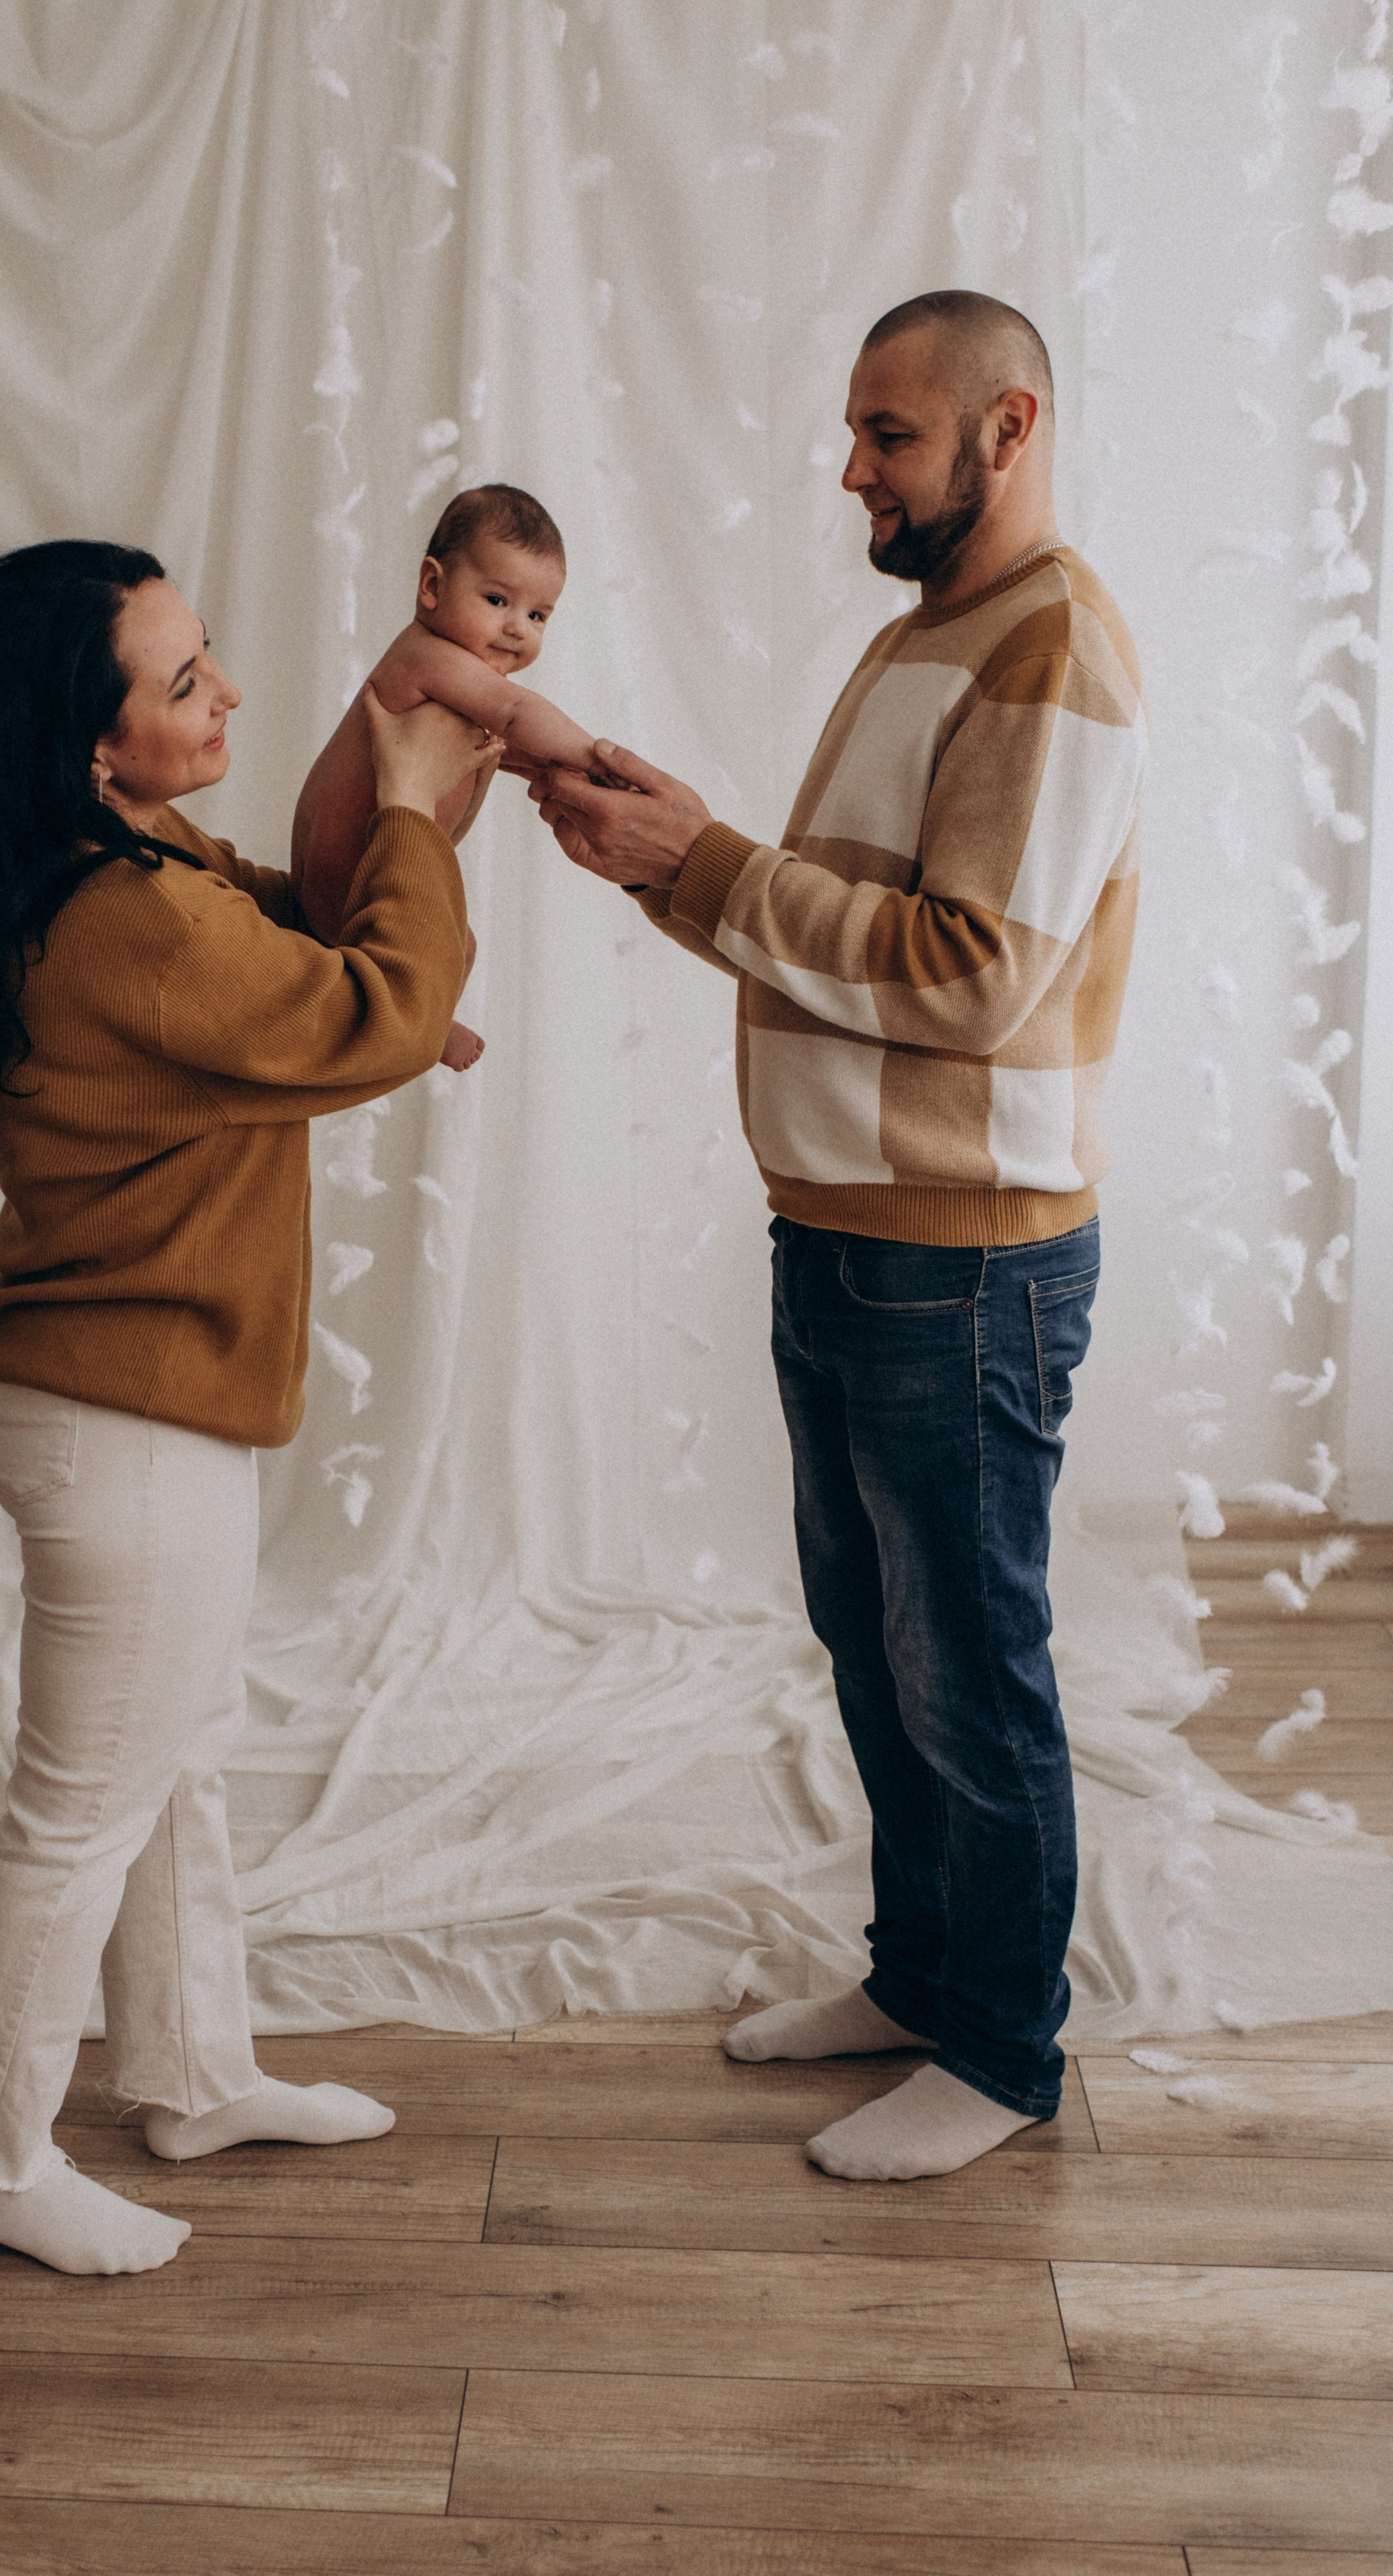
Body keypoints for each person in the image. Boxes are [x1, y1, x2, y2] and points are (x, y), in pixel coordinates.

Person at [530, 292, 1145, 2182]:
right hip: (853, 1236)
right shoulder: (932, 639)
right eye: (859, 433)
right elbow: (844, 932)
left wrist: (703, 861)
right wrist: (669, 858)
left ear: (1005, 427)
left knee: (970, 1663)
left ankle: (1008, 2051)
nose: (853, 468)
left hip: (960, 1260)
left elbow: (969, 983)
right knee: (878, 1649)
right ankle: (918, 1975)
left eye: (888, 433)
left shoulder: (1052, 656)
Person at [0, 538, 498, 2272]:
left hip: (146, 1403)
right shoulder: (122, 912)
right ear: (91, 741)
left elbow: (312, 937)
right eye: (185, 681)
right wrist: (420, 836)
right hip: (116, 1422)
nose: (225, 693)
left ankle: (194, 2071)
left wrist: (406, 774)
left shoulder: (130, 863)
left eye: (209, 660)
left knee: (176, 1761)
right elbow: (362, 1005)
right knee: (81, 1803)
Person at [291, 483, 599, 1070]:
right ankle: (414, 1029)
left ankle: (424, 1024)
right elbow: (515, 713)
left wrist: (544, 766)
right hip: (346, 879)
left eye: (538, 615)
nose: (518, 629)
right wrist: (593, 757)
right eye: (497, 600)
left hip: (370, 879)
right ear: (433, 587)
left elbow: (500, 743)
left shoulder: (460, 684)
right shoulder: (424, 656)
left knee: (462, 948)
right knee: (423, 960)